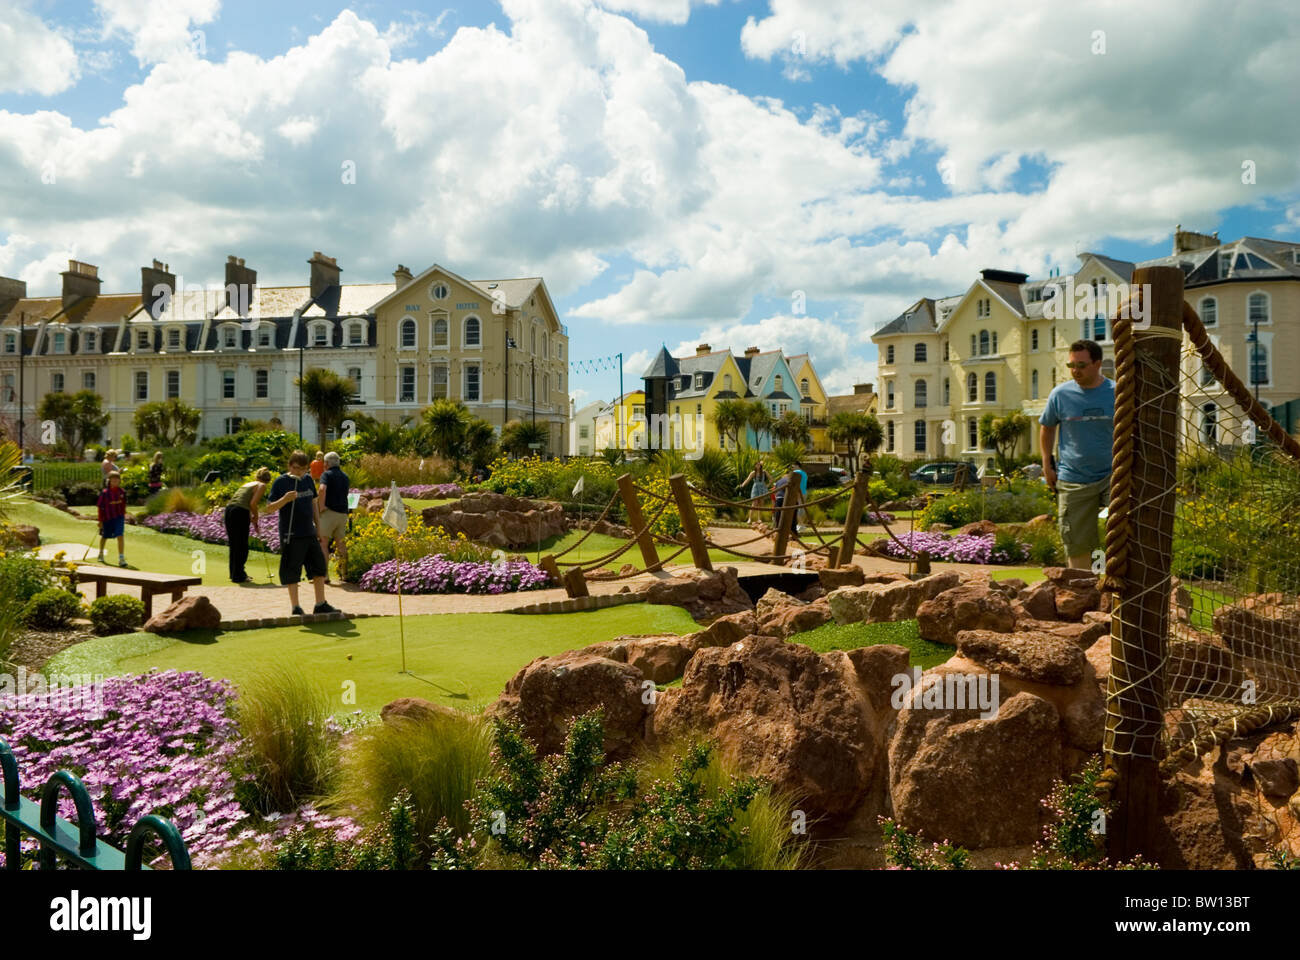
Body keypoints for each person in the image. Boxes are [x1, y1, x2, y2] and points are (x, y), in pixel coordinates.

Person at [1039, 339, 1115, 571]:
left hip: (1113, 476)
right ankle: (1083, 592)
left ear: (1097, 364)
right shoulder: (1060, 395)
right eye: (1071, 365)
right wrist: (1047, 464)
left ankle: (1118, 590)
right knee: (1076, 541)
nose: (1075, 371)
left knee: (1126, 534)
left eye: (1081, 365)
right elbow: (1047, 427)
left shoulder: (1116, 392)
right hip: (1073, 478)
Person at [264, 451, 339, 616]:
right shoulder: (280, 483)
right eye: (297, 468)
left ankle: (320, 603)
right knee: (293, 570)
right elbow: (269, 508)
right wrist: (284, 499)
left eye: (304, 469)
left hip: (309, 532)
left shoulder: (307, 480)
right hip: (291, 533)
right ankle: (295, 607)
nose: (300, 472)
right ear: (290, 466)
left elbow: (314, 505)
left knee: (319, 568)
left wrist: (318, 529)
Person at [224, 468, 272, 583]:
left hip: (229, 510)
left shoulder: (248, 484)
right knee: (242, 546)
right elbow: (252, 503)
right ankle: (239, 576)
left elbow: (241, 503)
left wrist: (251, 518)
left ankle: (235, 574)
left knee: (235, 544)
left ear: (257, 476)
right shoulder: (262, 485)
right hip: (239, 512)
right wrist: (256, 517)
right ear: (268, 480)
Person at [316, 452, 350, 583]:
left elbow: (322, 489)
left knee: (323, 543)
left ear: (327, 463)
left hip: (329, 512)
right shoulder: (345, 476)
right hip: (343, 514)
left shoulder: (326, 475)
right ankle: (344, 573)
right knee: (341, 544)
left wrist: (321, 507)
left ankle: (325, 575)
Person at [96, 471, 128, 567]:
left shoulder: (122, 492)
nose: (115, 481)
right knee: (105, 536)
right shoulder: (105, 493)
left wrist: (123, 513)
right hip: (107, 518)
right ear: (109, 481)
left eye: (117, 479)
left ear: (119, 481)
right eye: (113, 480)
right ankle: (101, 553)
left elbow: (124, 504)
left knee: (120, 535)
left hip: (119, 517)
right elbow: (100, 507)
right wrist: (100, 520)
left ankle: (121, 558)